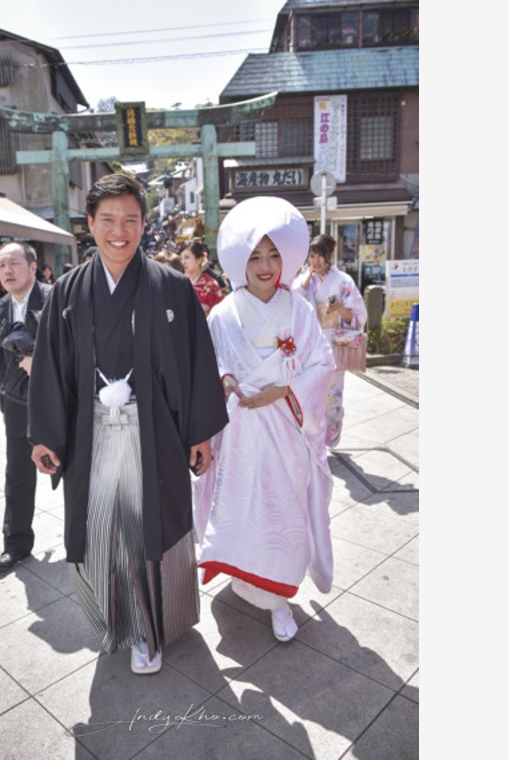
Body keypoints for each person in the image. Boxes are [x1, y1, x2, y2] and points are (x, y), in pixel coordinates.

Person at [27, 173, 228, 675]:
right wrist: (47, 437)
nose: (120, 231)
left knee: (145, 533)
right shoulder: (67, 293)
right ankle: (112, 621)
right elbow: (51, 367)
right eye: (108, 220)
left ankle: (146, 632)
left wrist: (198, 431)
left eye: (131, 220)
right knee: (99, 533)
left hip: (152, 434)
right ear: (90, 224)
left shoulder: (173, 288)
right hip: (90, 432)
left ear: (144, 224)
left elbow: (195, 361)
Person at [192, 196, 336, 643]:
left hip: (287, 428)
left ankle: (280, 599)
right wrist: (227, 377)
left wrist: (286, 390)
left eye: (275, 254)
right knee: (241, 511)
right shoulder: (222, 313)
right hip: (238, 435)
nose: (266, 265)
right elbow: (208, 361)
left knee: (284, 512)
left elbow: (323, 363)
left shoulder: (300, 311)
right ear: (240, 260)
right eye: (255, 255)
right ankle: (247, 580)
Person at [0, 241, 52, 570]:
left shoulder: (54, 298)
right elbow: (0, 364)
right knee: (17, 475)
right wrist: (2, 402)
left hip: (56, 403)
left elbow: (74, 350)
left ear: (32, 266)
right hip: (16, 402)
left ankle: (87, 542)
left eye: (14, 263)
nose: (7, 271)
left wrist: (37, 359)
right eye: (1, 265)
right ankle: (15, 544)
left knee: (75, 471)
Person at [291, 234, 368, 449]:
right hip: (310, 346)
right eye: (312, 256)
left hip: (333, 342)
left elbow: (359, 315)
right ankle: (312, 440)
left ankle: (329, 440)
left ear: (329, 256)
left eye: (319, 256)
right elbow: (293, 300)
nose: (315, 261)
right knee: (309, 395)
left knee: (333, 396)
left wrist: (340, 309)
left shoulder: (343, 281)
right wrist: (305, 279)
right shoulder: (307, 279)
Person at [179, 239, 224, 316]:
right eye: (181, 258)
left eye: (186, 258)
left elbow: (220, 313)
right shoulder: (179, 283)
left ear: (199, 259)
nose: (183, 262)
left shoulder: (211, 284)